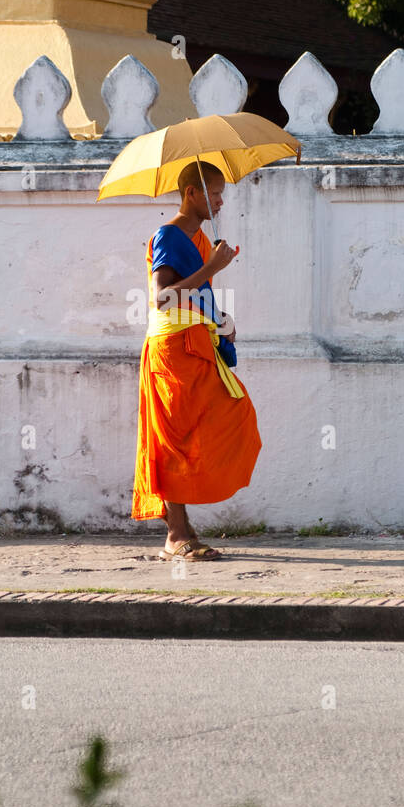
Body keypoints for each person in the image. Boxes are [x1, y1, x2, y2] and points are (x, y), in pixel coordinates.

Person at [131, 160, 262, 560]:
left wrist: (221, 322)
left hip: (199, 340)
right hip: (172, 350)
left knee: (231, 416)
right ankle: (176, 534)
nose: (221, 201)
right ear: (192, 194)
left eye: (222, 193)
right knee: (174, 437)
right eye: (215, 193)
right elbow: (162, 296)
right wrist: (212, 268)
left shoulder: (201, 238)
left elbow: (196, 295)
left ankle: (181, 526)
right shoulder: (169, 235)